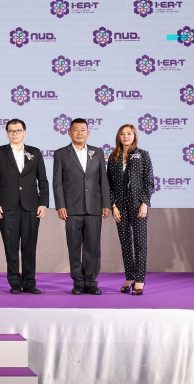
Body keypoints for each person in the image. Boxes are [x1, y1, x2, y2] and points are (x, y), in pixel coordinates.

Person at [0, 119, 49, 294]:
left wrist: (43, 203)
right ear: (7, 133)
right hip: (7, 207)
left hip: (31, 206)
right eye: (11, 131)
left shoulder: (34, 152)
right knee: (11, 247)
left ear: (24, 132)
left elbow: (42, 180)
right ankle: (15, 283)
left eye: (18, 130)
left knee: (30, 247)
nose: (14, 133)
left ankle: (29, 283)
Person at [52, 118, 110, 295]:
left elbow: (103, 180)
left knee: (93, 247)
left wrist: (106, 203)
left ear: (88, 132)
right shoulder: (61, 153)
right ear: (69, 132)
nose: (79, 133)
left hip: (94, 207)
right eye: (75, 130)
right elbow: (57, 182)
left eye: (82, 130)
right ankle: (78, 282)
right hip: (71, 208)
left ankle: (91, 282)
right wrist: (60, 205)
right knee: (74, 247)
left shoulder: (97, 152)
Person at [107, 124, 155, 296]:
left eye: (129, 133)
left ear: (134, 136)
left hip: (138, 204)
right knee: (125, 243)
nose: (126, 136)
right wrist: (113, 206)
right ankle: (129, 277)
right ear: (118, 137)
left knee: (140, 243)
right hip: (120, 206)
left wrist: (144, 203)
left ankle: (139, 280)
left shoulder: (143, 154)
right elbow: (108, 184)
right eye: (122, 134)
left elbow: (149, 181)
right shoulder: (113, 157)